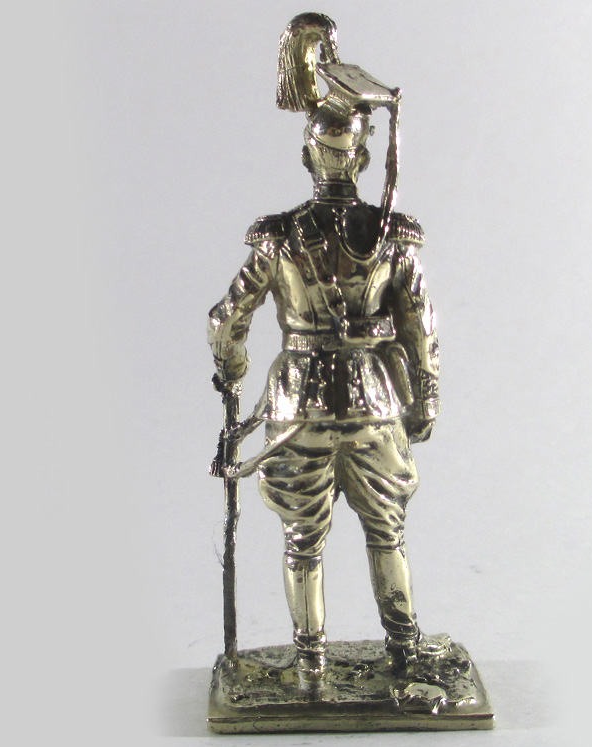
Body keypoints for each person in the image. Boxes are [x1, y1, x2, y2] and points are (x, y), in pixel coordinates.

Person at [207, 13, 443, 684]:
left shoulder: (277, 238)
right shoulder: (394, 238)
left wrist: (230, 367)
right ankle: (403, 647)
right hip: (374, 406)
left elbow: (228, 318)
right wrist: (426, 396)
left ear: (309, 155)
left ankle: (310, 660)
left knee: (302, 539)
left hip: (296, 409)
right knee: (386, 531)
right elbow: (420, 324)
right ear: (361, 158)